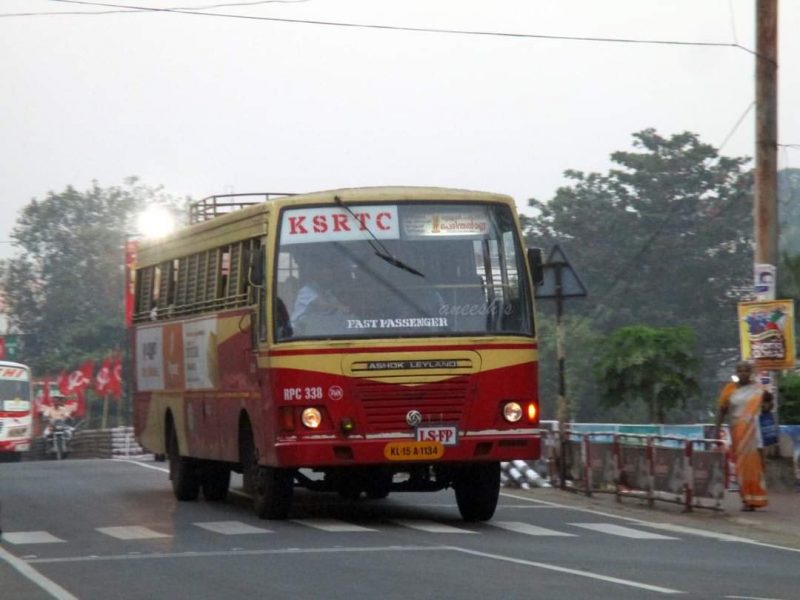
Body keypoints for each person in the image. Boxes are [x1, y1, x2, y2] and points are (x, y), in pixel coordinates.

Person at [714, 360, 773, 511]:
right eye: (740, 370)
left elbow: (768, 406)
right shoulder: (729, 389)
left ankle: (756, 498)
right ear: (736, 372)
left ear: (750, 372)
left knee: (755, 465)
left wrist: (767, 402)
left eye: (746, 370)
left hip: (754, 432)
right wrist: (717, 428)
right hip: (737, 431)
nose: (743, 373)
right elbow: (722, 410)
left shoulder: (758, 389)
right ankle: (746, 499)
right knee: (741, 465)